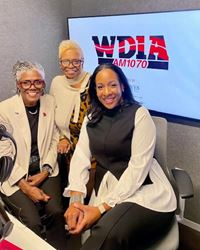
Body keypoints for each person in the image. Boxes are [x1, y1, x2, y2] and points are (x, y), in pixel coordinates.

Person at [63, 63, 177, 249]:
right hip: (109, 189)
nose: (107, 92)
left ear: (122, 86)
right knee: (103, 230)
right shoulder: (90, 119)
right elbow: (80, 158)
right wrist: (75, 202)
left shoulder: (140, 115)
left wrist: (100, 208)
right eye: (100, 87)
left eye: (113, 85)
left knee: (110, 232)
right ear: (94, 90)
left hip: (144, 193)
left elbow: (138, 169)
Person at [0, 61, 68, 250]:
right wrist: (24, 185)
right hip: (13, 174)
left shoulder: (49, 102)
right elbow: (3, 154)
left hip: (44, 168)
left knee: (55, 212)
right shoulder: (3, 110)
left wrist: (46, 171)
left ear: (44, 84)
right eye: (26, 82)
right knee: (32, 221)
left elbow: (55, 139)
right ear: (18, 85)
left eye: (38, 82)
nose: (33, 87)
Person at [49, 40, 95, 204]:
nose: (71, 65)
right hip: (67, 148)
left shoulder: (93, 82)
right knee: (70, 193)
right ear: (60, 62)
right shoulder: (57, 83)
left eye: (77, 61)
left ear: (83, 61)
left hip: (92, 147)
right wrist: (62, 137)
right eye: (66, 61)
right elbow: (51, 117)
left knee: (87, 195)